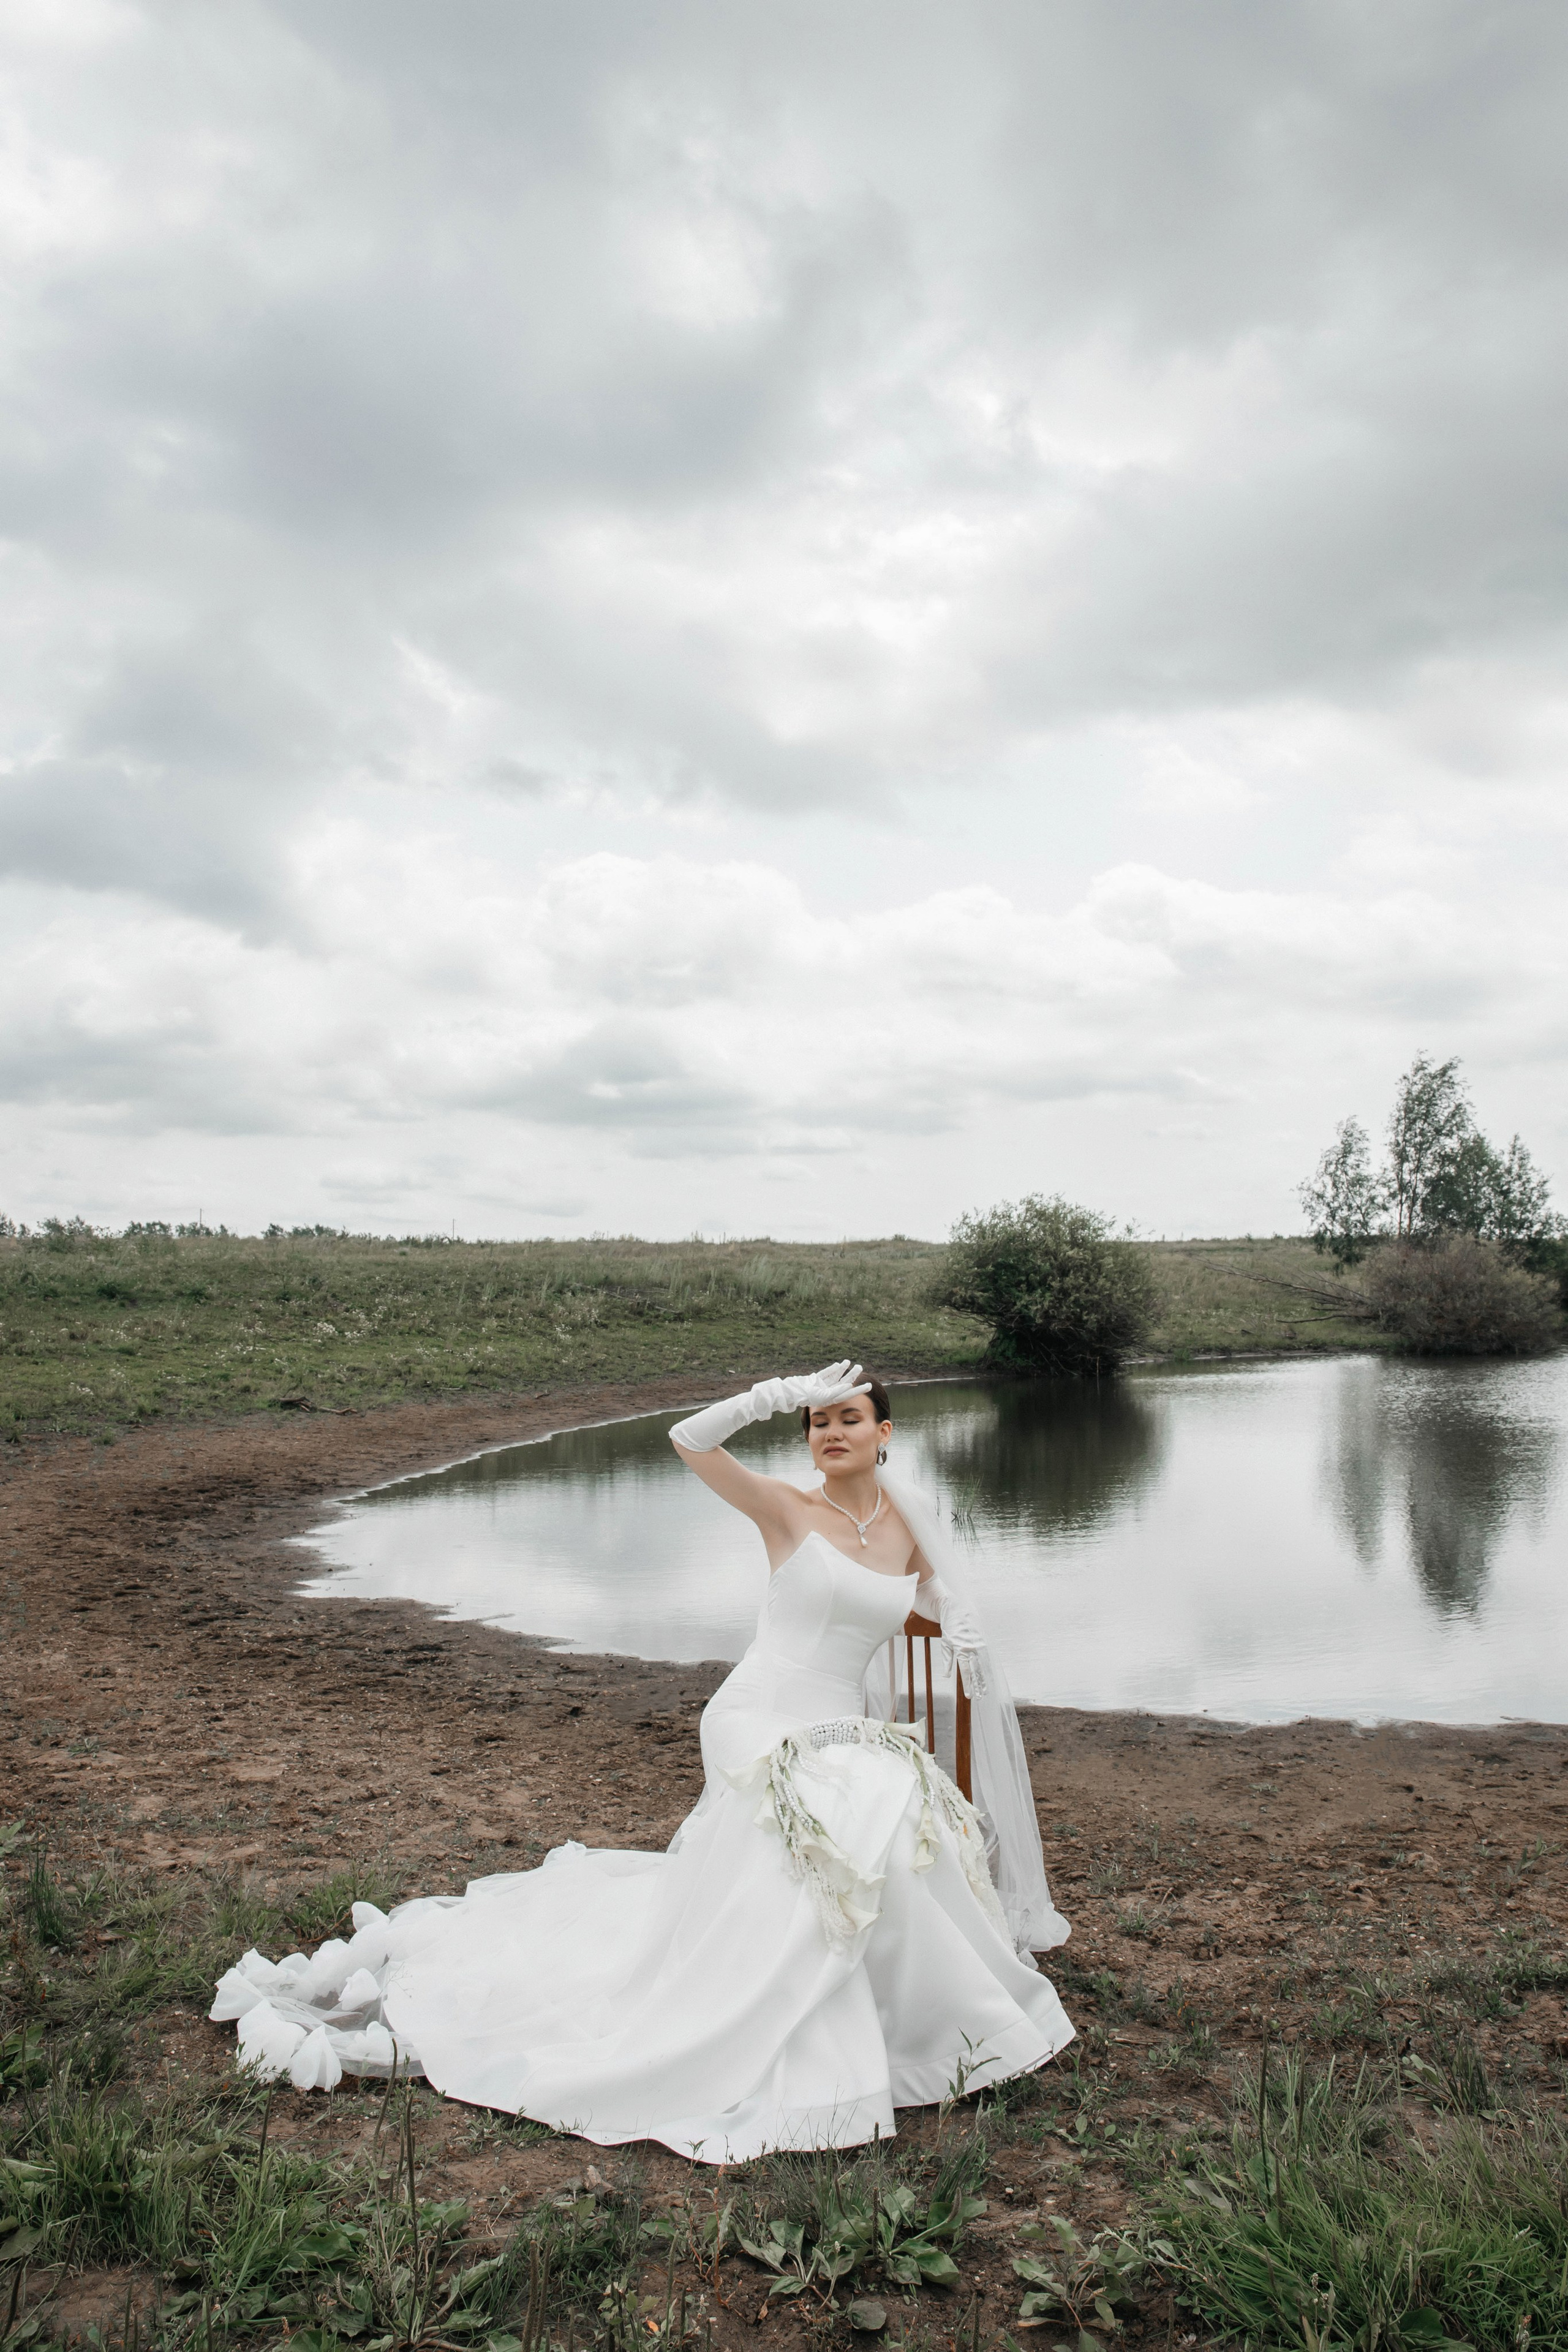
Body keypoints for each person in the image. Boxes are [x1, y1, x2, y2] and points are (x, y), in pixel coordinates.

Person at [209, 1362, 1072, 2161]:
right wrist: (775, 1392)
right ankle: (788, 2021)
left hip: (840, 1721)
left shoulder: (908, 1526)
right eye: (818, 1422)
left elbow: (916, 1597)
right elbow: (689, 1439)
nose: (831, 1432)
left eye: (849, 1419)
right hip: (760, 1714)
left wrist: (950, 1610)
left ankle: (920, 2026)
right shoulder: (784, 1508)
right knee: (840, 1818)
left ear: (885, 1433)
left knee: (894, 1804)